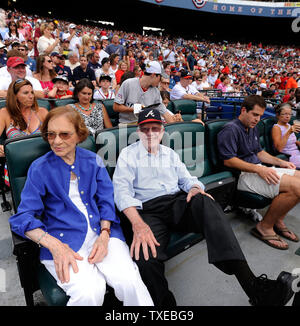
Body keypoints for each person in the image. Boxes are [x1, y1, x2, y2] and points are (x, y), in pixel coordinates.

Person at [112, 107, 296, 307]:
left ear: (162, 131)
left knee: (205, 200)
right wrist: (138, 225)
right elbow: (122, 193)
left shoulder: (170, 154)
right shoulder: (127, 155)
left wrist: (194, 187)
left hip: (176, 203)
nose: (150, 134)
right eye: (145, 129)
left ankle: (253, 287)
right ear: (138, 132)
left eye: (155, 129)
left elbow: (188, 179)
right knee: (145, 259)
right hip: (148, 211)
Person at [9, 106, 154, 306]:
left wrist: (105, 235)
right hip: (63, 240)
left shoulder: (94, 161)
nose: (56, 141)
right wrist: (55, 246)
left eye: (64, 134)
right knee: (89, 293)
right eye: (51, 135)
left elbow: (106, 201)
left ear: (79, 134)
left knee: (130, 282)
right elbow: (23, 217)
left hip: (103, 233)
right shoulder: (39, 168)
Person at [217, 95, 300, 250]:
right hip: (242, 175)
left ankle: (278, 220)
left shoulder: (252, 128)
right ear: (243, 110)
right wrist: (259, 168)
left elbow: (259, 152)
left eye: (260, 116)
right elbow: (228, 160)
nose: (257, 119)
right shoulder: (230, 129)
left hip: (258, 169)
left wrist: (281, 162)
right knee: (297, 187)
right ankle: (264, 227)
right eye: (255, 115)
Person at [113, 61, 176, 126]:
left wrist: (175, 127)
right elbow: (116, 107)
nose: (160, 81)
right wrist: (134, 109)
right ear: (153, 75)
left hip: (145, 125)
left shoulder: (155, 91)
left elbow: (164, 112)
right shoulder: (128, 83)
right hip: (127, 124)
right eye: (160, 77)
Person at [0, 79, 48, 156]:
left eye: (32, 92)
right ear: (15, 96)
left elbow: (56, 133)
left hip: (41, 159)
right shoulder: (5, 113)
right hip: (17, 159)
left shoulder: (42, 112)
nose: (31, 96)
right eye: (26, 93)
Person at [272, 103, 300, 168]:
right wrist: (289, 132)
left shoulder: (289, 125)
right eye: (285, 114)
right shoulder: (276, 127)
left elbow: (293, 143)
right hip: (289, 157)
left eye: (290, 114)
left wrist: (298, 143)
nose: (288, 116)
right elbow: (279, 148)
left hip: (297, 153)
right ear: (278, 115)